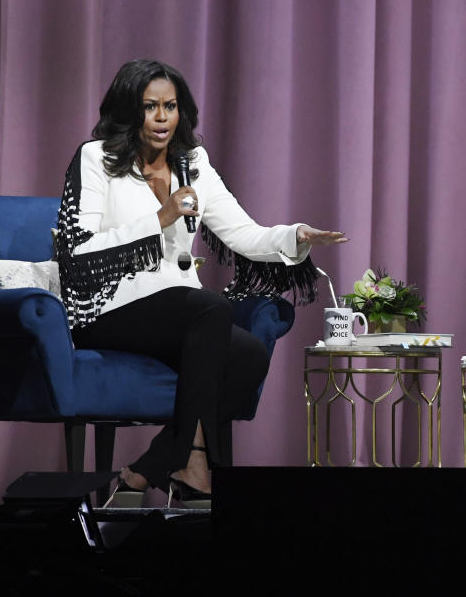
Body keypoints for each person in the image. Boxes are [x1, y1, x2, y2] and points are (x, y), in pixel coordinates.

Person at [55, 59, 347, 508]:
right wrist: (161, 218)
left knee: (249, 355)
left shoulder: (193, 163)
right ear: (129, 110)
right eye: (149, 106)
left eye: (170, 106)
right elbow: (79, 252)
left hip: (180, 315)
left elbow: (243, 233)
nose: (161, 118)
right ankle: (192, 468)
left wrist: (294, 236)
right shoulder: (96, 158)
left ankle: (146, 470)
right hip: (108, 307)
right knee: (211, 308)